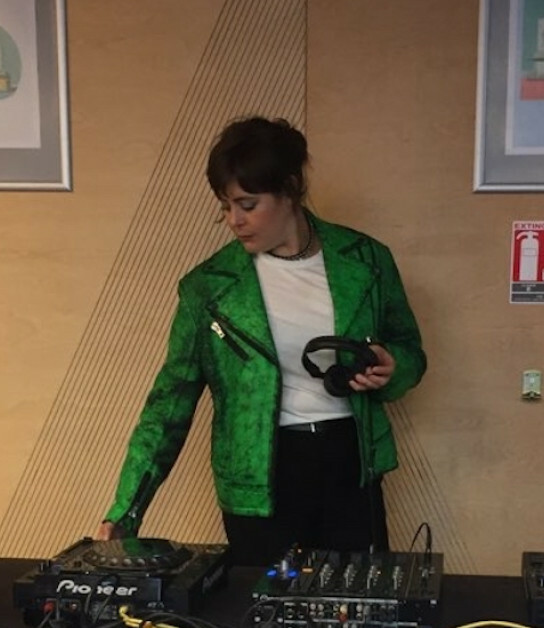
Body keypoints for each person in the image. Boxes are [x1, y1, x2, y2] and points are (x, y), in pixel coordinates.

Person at [97, 116, 426, 566]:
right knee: (261, 598)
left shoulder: (366, 260)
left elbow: (409, 350)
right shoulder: (209, 288)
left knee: (354, 597)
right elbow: (169, 406)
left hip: (351, 466)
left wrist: (393, 366)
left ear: (289, 188)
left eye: (247, 205)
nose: (234, 220)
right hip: (257, 479)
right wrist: (126, 511)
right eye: (226, 206)